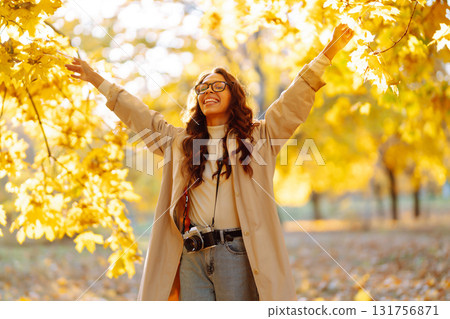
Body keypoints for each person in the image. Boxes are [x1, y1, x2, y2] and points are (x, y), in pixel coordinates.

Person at [65, 23, 354, 301]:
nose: (207, 92)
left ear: (234, 94)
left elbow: (293, 100)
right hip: (191, 256)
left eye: (217, 86)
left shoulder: (260, 136)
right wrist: (96, 80)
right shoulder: (179, 142)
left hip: (236, 253)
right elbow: (138, 115)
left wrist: (327, 54)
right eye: (201, 89)